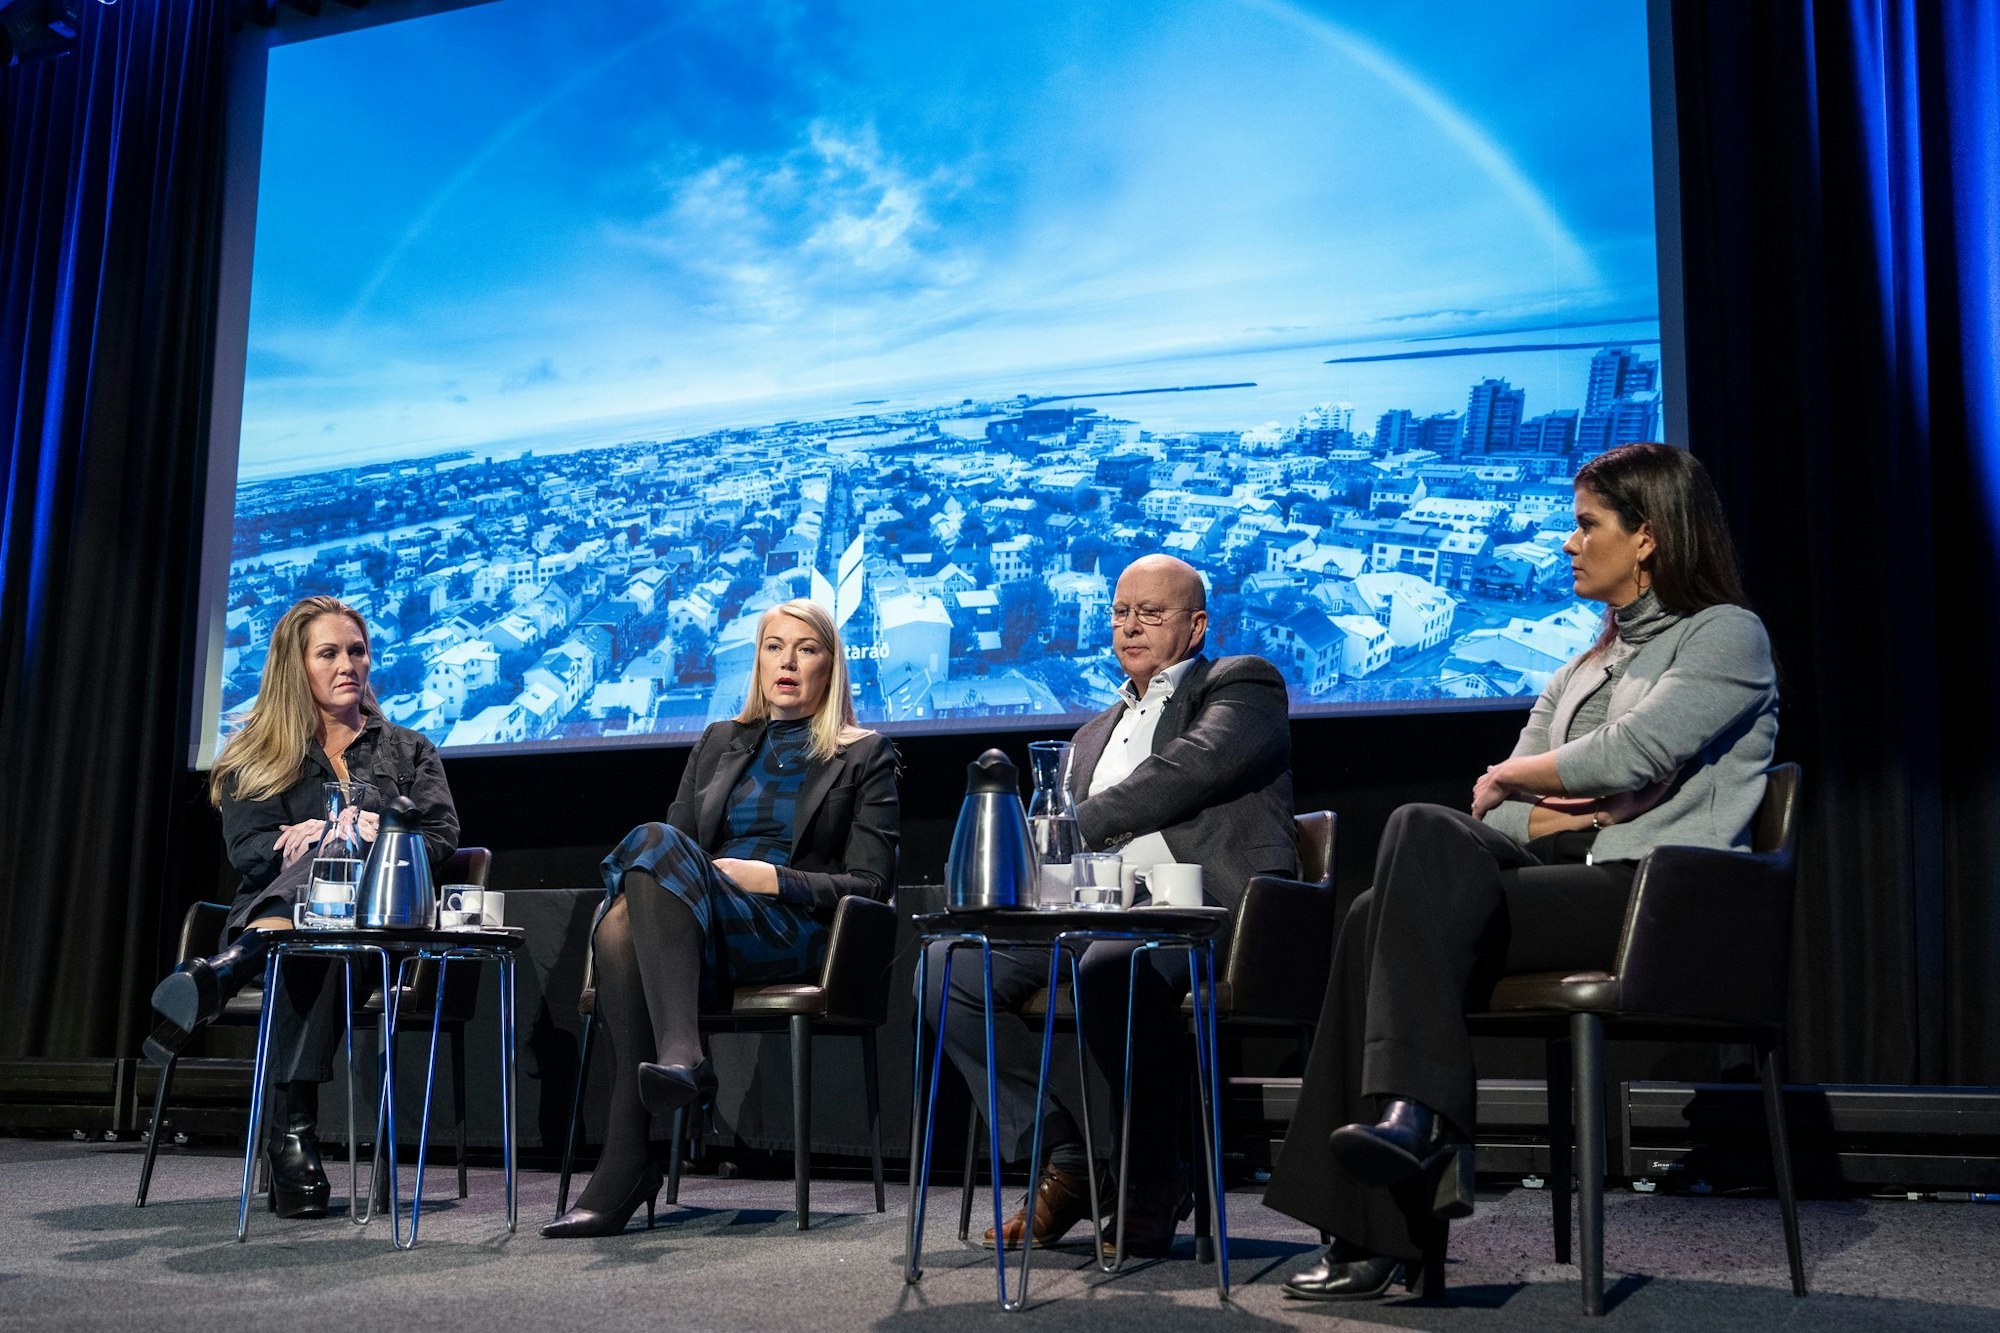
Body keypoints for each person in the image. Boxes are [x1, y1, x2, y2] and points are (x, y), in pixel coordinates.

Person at [1263, 443, 1780, 1301]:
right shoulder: (1581, 666)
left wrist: (1530, 779)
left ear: (1648, 535)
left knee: (1404, 866)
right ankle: (1395, 1165)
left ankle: (1399, 1172)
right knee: (1383, 889)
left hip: (1654, 900)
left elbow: (1632, 750)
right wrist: (1587, 803)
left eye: (1586, 525)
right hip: (1566, 881)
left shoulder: (1724, 634)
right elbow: (1495, 813)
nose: (1567, 543)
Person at [925, 553, 1298, 1258]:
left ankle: (1151, 1178)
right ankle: (1066, 1156)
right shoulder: (1090, 734)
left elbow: (1190, 768)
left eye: (1149, 613)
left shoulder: (1241, 685)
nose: (1129, 627)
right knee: (951, 968)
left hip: (1204, 905)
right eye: (1121, 612)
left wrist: (1074, 825)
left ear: (1195, 626)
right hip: (1093, 911)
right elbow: (1055, 851)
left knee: (1111, 966)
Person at [543, 598, 900, 1238]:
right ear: (757, 661)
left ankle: (633, 1149)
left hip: (789, 926)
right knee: (636, 890)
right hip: (703, 918)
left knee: (629, 908)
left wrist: (772, 878)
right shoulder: (717, 742)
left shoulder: (865, 755)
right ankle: (678, 1066)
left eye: (806, 649)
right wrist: (708, 880)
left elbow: (872, 883)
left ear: (831, 665)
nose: (787, 662)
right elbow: (670, 849)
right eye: (774, 647)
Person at [147, 595, 458, 1218]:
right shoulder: (256, 752)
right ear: (297, 665)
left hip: (376, 926)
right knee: (316, 922)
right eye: (329, 653)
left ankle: (229, 974)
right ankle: (292, 1133)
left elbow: (441, 837)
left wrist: (380, 835)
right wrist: (316, 840)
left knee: (330, 887)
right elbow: (249, 851)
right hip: (288, 914)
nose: (349, 665)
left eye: (357, 651)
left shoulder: (408, 750)